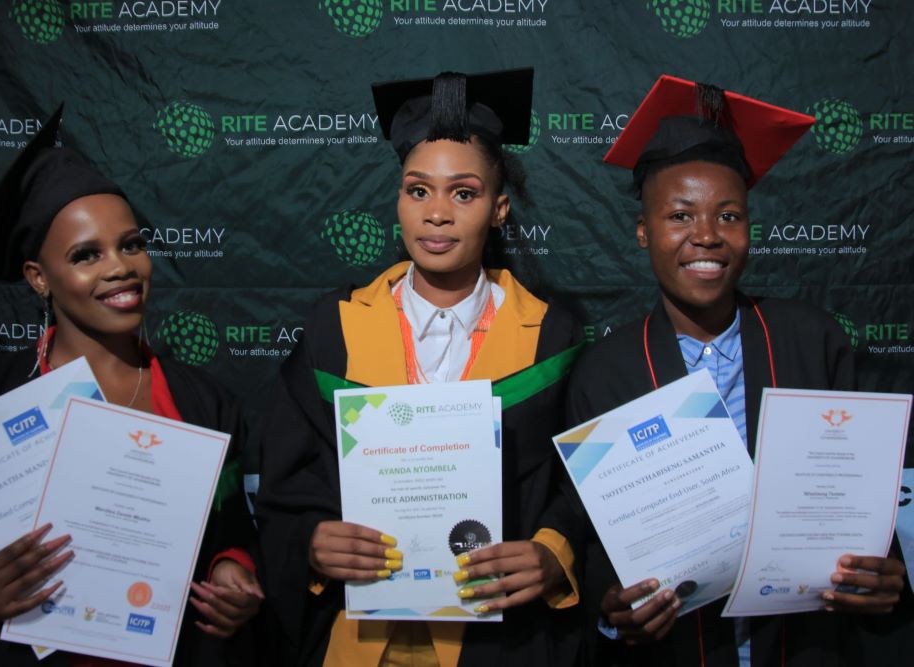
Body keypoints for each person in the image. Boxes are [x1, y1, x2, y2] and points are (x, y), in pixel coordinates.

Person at [567, 75, 908, 666]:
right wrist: (612, 607)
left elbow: (870, 497)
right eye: (680, 215)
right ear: (644, 232)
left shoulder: (812, 341)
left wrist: (889, 570)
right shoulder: (606, 373)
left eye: (728, 215)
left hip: (804, 647)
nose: (706, 236)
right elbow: (591, 536)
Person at [255, 68, 585, 666]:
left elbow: (581, 485)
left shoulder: (548, 336)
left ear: (499, 209)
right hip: (361, 637)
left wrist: (551, 551)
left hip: (497, 641)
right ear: (399, 200)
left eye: (464, 193)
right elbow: (285, 488)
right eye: (417, 190)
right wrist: (311, 541)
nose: (437, 214)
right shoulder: (335, 331)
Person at [0, 106, 263, 665]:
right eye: (86, 255)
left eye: (131, 244)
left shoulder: (205, 403)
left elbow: (232, 533)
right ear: (39, 278)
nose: (119, 267)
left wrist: (232, 569)